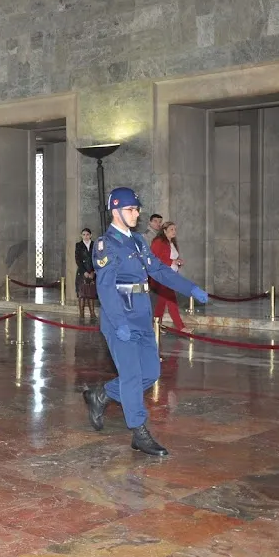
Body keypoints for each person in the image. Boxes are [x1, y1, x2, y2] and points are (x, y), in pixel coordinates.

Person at [83, 188, 208, 456]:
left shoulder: (138, 241)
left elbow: (160, 271)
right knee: (130, 376)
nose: (136, 213)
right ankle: (139, 432)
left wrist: (190, 288)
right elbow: (105, 289)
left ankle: (101, 395)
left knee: (151, 373)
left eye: (137, 209)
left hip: (140, 313)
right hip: (120, 317)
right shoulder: (106, 244)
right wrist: (118, 323)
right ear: (115, 211)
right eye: (131, 209)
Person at [150, 221, 191, 333]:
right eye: (172, 229)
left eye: (175, 229)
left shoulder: (171, 243)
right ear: (164, 231)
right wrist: (172, 261)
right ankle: (181, 327)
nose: (174, 232)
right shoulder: (158, 242)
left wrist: (177, 262)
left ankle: (156, 324)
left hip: (171, 276)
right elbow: (155, 258)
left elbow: (172, 259)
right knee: (172, 302)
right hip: (162, 276)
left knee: (162, 302)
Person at [75, 228, 97, 321]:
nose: (85, 236)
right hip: (82, 272)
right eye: (83, 234)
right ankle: (81, 314)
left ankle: (92, 313)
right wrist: (84, 272)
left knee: (91, 293)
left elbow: (97, 258)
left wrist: (93, 271)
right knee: (82, 294)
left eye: (87, 234)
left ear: (90, 235)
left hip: (92, 272)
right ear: (81, 236)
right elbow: (78, 260)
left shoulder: (95, 245)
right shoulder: (78, 245)